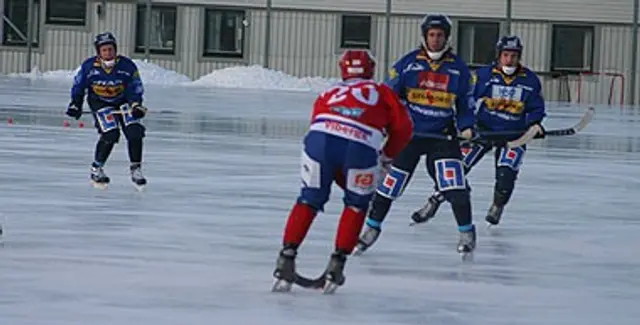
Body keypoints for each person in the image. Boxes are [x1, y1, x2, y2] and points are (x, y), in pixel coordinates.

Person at [272, 49, 413, 293]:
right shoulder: (382, 92)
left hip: (319, 141)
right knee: (356, 204)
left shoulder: (329, 91)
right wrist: (387, 157)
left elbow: (317, 122)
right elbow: (403, 128)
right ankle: (337, 264)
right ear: (371, 69)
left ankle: (286, 257)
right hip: (360, 145)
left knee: (309, 199)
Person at [355, 14, 477, 256]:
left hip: (442, 138)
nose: (435, 40)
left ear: (447, 37)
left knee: (454, 185)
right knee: (390, 186)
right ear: (424, 36)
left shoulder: (459, 69)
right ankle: (371, 229)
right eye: (431, 35)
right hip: (409, 137)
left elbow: (466, 103)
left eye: (440, 35)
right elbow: (389, 98)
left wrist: (467, 126)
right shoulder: (408, 64)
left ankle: (466, 231)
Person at [411, 35, 546, 226]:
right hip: (482, 133)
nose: (509, 60)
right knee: (456, 169)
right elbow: (468, 102)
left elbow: (536, 107)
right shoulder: (483, 76)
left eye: (514, 56)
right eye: (506, 55)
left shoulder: (530, 80)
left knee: (506, 174)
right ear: (499, 55)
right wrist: (466, 126)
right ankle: (434, 200)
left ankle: (498, 205)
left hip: (515, 136)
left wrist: (535, 124)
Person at [66, 32, 148, 189]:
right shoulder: (89, 67)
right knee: (110, 134)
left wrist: (136, 105)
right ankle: (97, 168)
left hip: (123, 101)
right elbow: (79, 86)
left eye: (110, 49)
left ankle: (136, 168)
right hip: (100, 102)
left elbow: (135, 87)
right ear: (98, 52)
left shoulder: (127, 66)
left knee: (134, 131)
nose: (108, 53)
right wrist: (76, 103)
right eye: (104, 50)